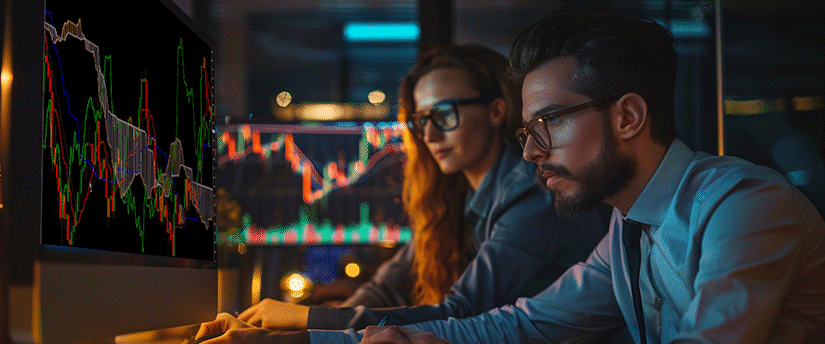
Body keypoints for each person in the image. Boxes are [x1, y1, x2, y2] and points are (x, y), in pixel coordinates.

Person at [301, 6, 824, 343]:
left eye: (548, 123)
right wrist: (400, 339)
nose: (530, 152)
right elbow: (526, 323)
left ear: (627, 117)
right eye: (529, 129)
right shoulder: (628, 226)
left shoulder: (744, 205)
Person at [194, 43, 611, 343]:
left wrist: (303, 320)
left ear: (495, 111)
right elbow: (387, 287)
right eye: (420, 120)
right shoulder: (458, 198)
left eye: (444, 114)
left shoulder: (530, 192)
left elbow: (461, 312)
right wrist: (317, 320)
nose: (429, 134)